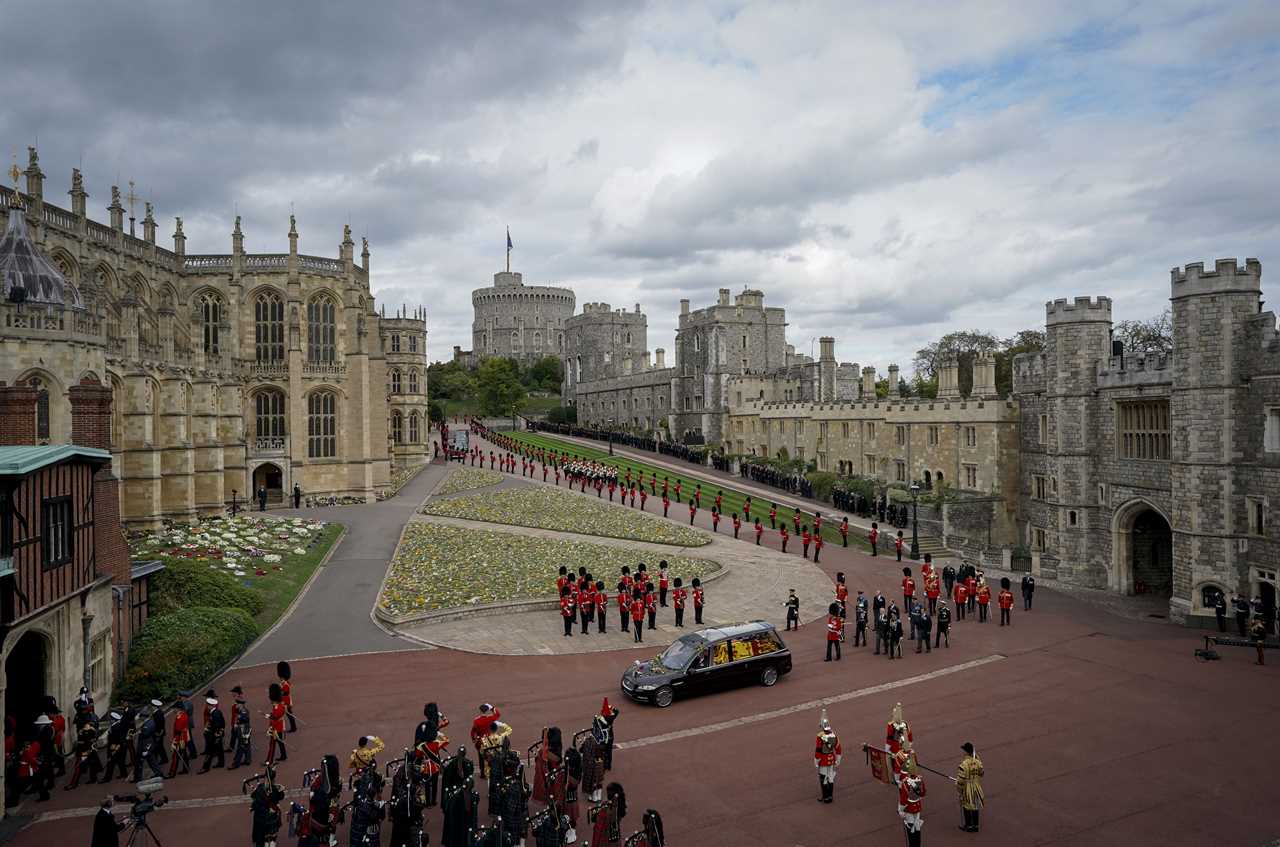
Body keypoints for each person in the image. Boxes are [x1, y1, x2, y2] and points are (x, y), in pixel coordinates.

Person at [813, 709, 841, 804]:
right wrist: (838, 760)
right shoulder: (834, 735)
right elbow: (838, 749)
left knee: (823, 778)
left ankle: (825, 797)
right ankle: (830, 797)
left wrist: (816, 760)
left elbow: (818, 750)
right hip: (831, 759)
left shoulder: (820, 736)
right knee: (831, 777)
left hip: (824, 760)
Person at [956, 742, 985, 832]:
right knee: (975, 805)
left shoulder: (964, 764)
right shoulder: (977, 762)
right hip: (976, 785)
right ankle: (976, 825)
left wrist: (959, 789)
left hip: (967, 787)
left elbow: (961, 780)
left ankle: (968, 826)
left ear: (966, 752)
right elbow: (981, 773)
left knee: (966, 805)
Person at [199, 696, 225, 772]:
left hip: (214, 735)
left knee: (209, 752)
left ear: (211, 705)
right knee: (220, 750)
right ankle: (221, 763)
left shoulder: (215, 713)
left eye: (208, 705)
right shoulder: (216, 712)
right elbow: (222, 723)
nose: (207, 706)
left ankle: (205, 767)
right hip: (218, 734)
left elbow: (217, 725)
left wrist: (212, 732)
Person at [899, 771, 927, 847]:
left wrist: (900, 810)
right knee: (917, 827)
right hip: (917, 806)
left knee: (910, 827)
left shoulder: (905, 783)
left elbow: (903, 799)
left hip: (909, 808)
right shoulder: (920, 780)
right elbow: (923, 793)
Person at [229, 688, 252, 770]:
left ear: (241, 705)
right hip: (244, 730)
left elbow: (243, 720)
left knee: (240, 746)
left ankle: (236, 763)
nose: (237, 706)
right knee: (246, 744)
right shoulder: (242, 711)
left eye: (238, 705)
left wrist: (237, 722)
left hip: (243, 731)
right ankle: (247, 759)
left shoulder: (243, 712)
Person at [265, 683, 287, 764]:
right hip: (278, 727)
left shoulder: (278, 707)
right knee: (280, 742)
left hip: (276, 728)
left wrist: (271, 728)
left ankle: (269, 760)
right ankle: (284, 755)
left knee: (272, 745)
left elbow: (275, 718)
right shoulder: (278, 706)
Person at [277, 661, 297, 734]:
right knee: (289, 714)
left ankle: (293, 727)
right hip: (285, 700)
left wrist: (279, 692)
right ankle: (293, 727)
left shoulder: (285, 684)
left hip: (286, 701)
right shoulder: (283, 683)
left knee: (289, 714)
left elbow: (285, 693)